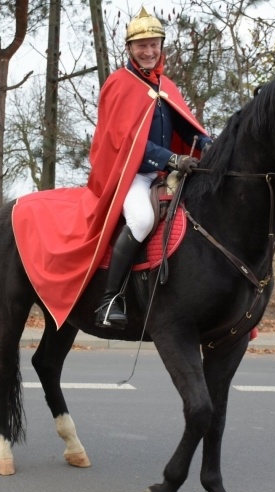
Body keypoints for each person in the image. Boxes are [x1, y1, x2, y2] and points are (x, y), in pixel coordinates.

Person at [92, 6, 213, 329]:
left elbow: (186, 128)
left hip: (162, 175)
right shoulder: (119, 83)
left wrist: (207, 144)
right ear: (130, 49)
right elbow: (123, 141)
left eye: (153, 44)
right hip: (128, 175)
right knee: (143, 219)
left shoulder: (166, 86)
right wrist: (172, 159)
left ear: (161, 46)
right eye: (141, 45)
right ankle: (109, 301)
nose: (148, 51)